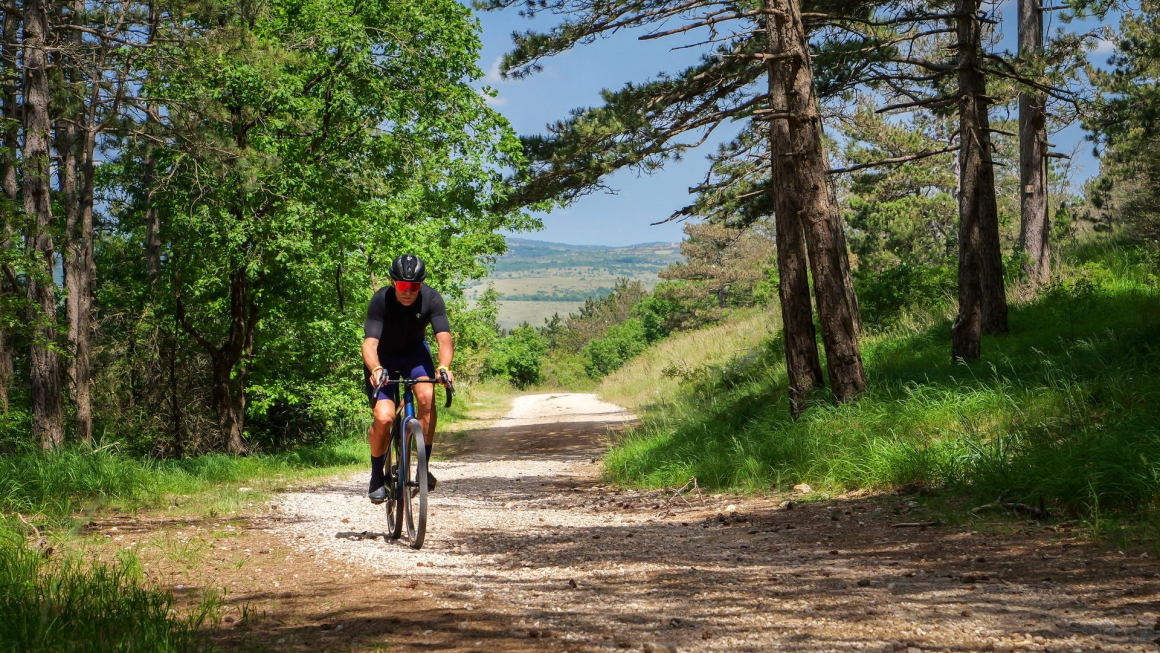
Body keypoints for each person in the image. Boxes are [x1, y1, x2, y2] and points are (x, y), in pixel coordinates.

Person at [362, 254, 455, 504]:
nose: (409, 292)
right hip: (383, 360)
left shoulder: (431, 298)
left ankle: (422, 468)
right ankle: (376, 476)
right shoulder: (380, 300)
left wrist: (444, 366)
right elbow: (370, 343)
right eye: (403, 286)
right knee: (384, 417)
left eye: (415, 286)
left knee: (426, 397)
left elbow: (444, 339)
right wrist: (375, 368)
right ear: (394, 283)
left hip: (414, 355)